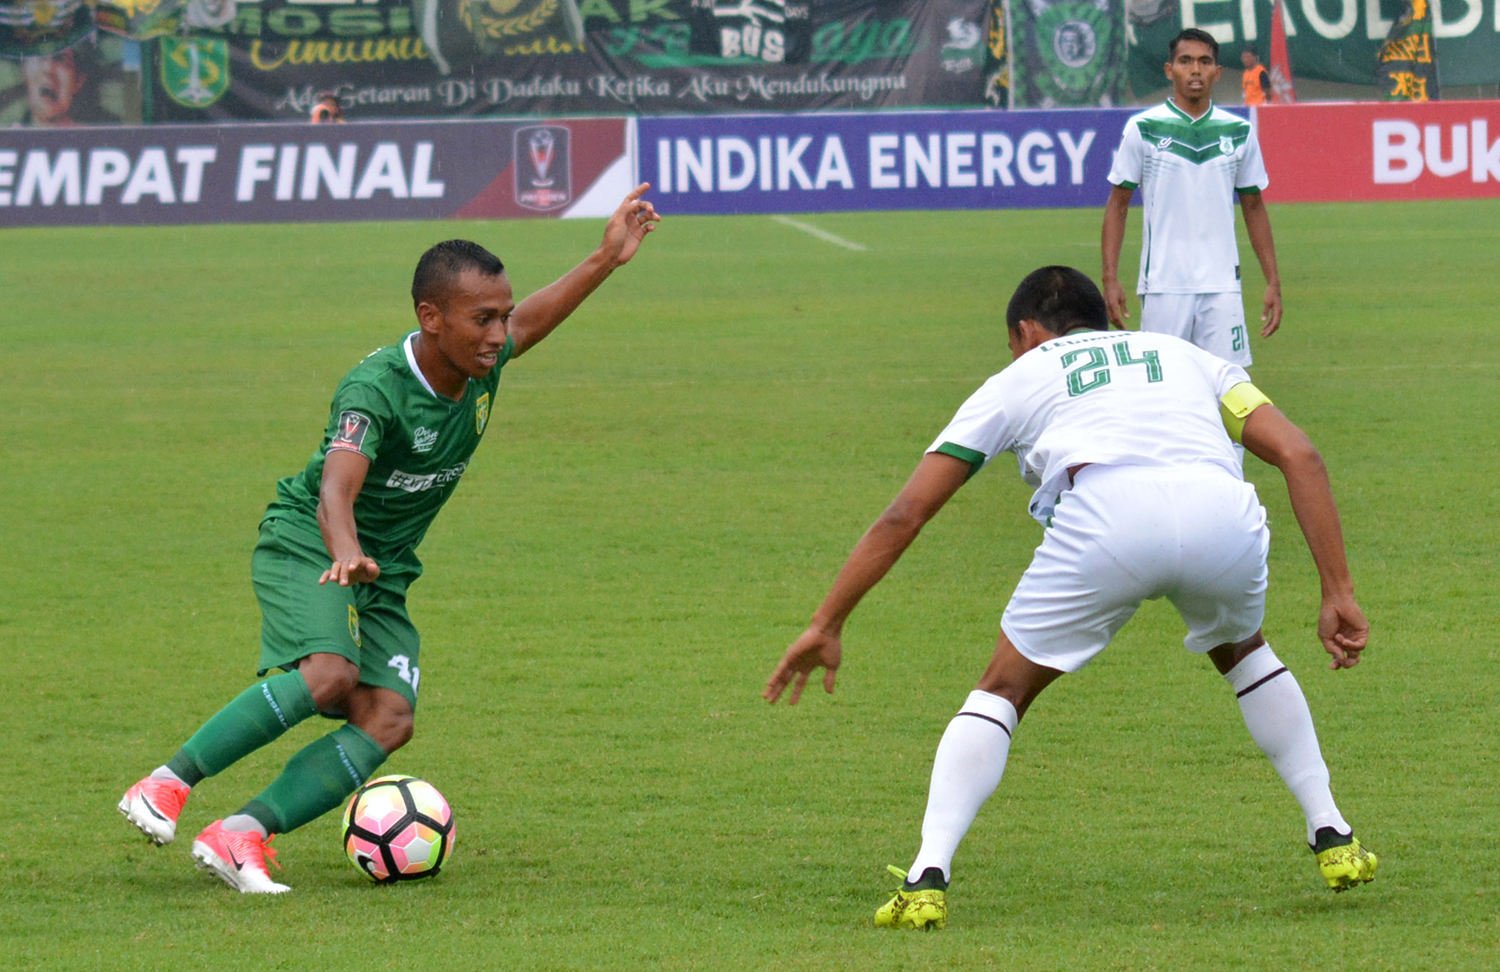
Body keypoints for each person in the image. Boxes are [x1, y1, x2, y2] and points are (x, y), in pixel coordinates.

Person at [764, 266, 1376, 930]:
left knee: (1003, 689)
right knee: (1245, 652)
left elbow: (906, 513)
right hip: (1221, 514)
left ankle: (927, 876)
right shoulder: (1188, 356)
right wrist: (1336, 591)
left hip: (1108, 517)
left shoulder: (1020, 376)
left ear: (1026, 332)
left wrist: (829, 621)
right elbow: (1300, 455)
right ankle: (1333, 834)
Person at [118, 185, 660, 894]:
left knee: (387, 716)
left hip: (383, 568)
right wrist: (343, 547)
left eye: (500, 316)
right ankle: (164, 785)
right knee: (330, 675)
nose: (498, 334)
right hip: (311, 544)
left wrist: (605, 259)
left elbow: (533, 319)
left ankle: (239, 835)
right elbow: (335, 489)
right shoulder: (375, 390)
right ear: (430, 318)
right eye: (481, 319)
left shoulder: (482, 363)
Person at [1101, 28, 1281, 371]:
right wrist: (1110, 279)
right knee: (1163, 393)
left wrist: (1273, 280)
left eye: (1204, 62)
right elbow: (1117, 205)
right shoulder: (1144, 128)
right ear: (1170, 70)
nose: (1195, 70)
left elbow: (1254, 207)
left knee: (1231, 395)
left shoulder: (1238, 132)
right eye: (1185, 61)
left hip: (1223, 287)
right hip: (1163, 287)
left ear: (1217, 72)